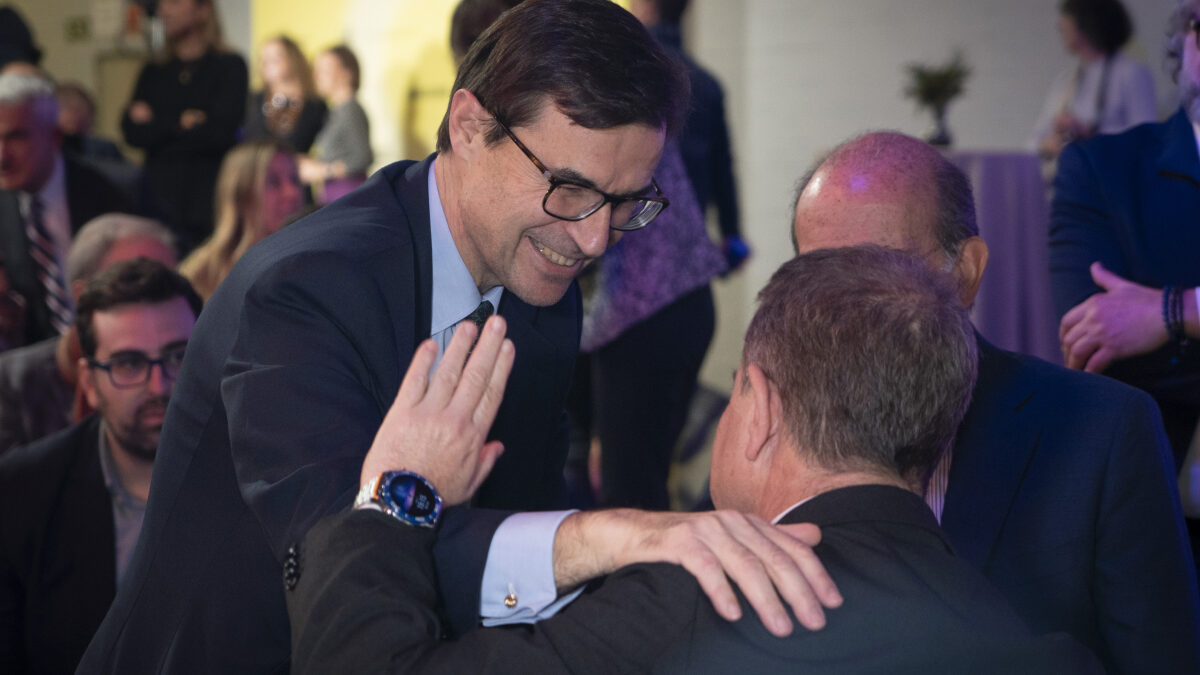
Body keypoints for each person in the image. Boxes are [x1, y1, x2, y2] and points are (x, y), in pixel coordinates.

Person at [78, 2, 841, 673]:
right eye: (571, 188)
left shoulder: (538, 281)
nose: (594, 240)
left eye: (624, 203)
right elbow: (339, 564)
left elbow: (519, 520)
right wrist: (608, 535)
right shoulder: (308, 288)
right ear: (471, 125)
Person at [287, 246, 1101, 674]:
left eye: (736, 388)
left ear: (760, 408)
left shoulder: (694, 604)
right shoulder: (1036, 641)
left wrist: (398, 498)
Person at [794, 130, 1200, 675]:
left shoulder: (1104, 432)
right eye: (818, 276)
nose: (844, 309)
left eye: (882, 270)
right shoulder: (776, 426)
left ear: (966, 271)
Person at [0, 258, 201, 675]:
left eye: (179, 356)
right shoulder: (22, 495)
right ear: (89, 383)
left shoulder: (261, 475)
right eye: (128, 363)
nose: (160, 385)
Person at [1050, 0, 1200, 466]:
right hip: (1162, 472)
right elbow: (1096, 345)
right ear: (1186, 41)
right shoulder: (1101, 170)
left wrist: (1174, 311)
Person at [0, 213, 176, 455]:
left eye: (169, 288)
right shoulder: (11, 385)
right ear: (82, 296)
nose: (159, 309)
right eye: (133, 288)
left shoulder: (198, 370)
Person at [0, 73, 132, 349]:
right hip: (39, 361)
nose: (2, 156)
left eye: (16, 137)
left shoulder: (119, 190)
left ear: (55, 136)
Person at [631, 0, 750, 273]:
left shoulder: (625, 75)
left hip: (632, 256)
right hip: (690, 259)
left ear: (646, 6)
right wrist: (731, 234)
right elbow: (722, 170)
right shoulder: (708, 84)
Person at [122, 0, 246, 255]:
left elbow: (220, 134)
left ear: (203, 10)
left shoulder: (229, 65)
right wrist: (181, 122)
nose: (164, 11)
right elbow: (132, 132)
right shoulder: (154, 70)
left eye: (175, 2)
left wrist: (157, 123)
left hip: (207, 201)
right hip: (158, 200)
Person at [1031, 0, 1156, 166]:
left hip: (1113, 178)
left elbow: (1145, 141)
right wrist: (1049, 145)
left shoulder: (1132, 73)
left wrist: (1088, 135)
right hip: (1072, 178)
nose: (1060, 26)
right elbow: (1032, 143)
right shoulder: (1066, 82)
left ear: (1088, 21)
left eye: (1067, 17)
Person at [179, 141, 303, 299]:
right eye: (274, 182)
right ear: (241, 196)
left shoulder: (312, 264)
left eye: (294, 179)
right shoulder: (201, 275)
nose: (292, 193)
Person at [299, 45, 372, 203]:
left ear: (347, 74)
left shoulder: (350, 110)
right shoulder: (336, 112)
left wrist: (322, 170)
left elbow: (362, 156)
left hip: (348, 196)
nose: (317, 76)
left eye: (324, 71)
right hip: (335, 195)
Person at [244, 36, 327, 155]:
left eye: (275, 57)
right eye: (264, 58)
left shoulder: (315, 105)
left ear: (293, 59)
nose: (267, 63)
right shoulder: (254, 100)